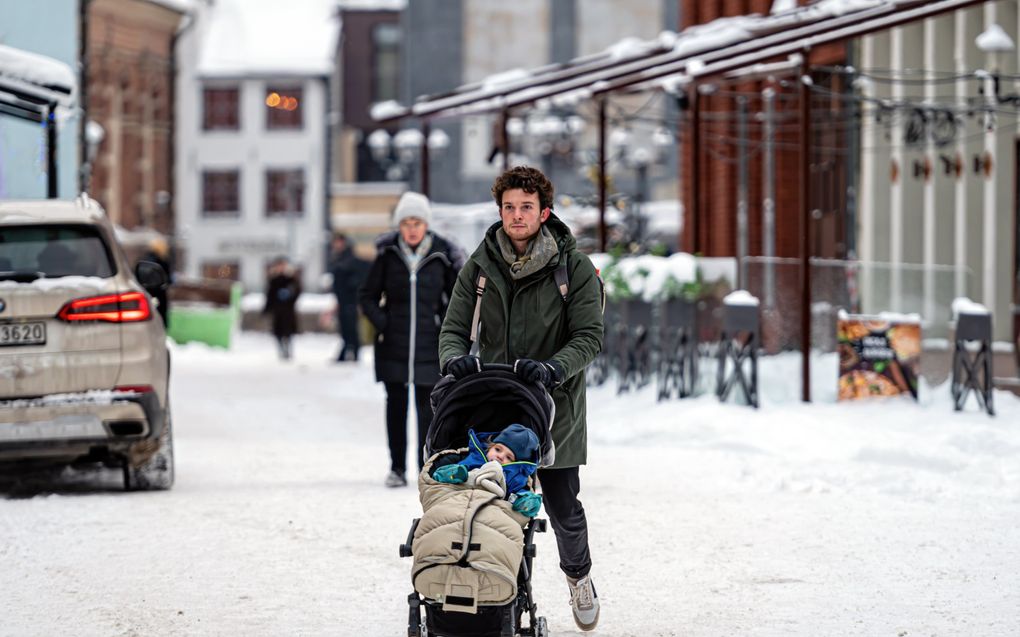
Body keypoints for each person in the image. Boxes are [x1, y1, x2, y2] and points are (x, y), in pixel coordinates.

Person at [438, 165, 604, 631]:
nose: (516, 215)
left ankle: (579, 576)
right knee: (487, 502)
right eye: (509, 207)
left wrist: (553, 368)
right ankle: (493, 591)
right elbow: (454, 329)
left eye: (526, 207)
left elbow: (589, 336)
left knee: (563, 506)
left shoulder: (573, 268)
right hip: (494, 399)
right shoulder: (481, 265)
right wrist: (455, 361)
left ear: (544, 212)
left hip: (554, 404)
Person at [359, 191, 464, 488]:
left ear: (426, 224)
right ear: (399, 226)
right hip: (392, 344)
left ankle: (425, 467)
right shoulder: (388, 254)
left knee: (427, 409)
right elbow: (366, 296)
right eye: (406, 223)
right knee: (395, 406)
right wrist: (383, 322)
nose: (412, 228)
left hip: (430, 345)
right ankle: (395, 467)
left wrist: (443, 326)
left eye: (417, 222)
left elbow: (458, 298)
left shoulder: (442, 254)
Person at [432, 423, 543, 517]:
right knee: (453, 474)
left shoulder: (514, 477)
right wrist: (452, 474)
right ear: (490, 447)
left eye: (509, 457)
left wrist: (526, 502)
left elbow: (520, 492)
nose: (500, 456)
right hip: (458, 503)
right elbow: (437, 478)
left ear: (517, 463)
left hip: (491, 515)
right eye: (498, 449)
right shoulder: (472, 459)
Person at [327, 233, 370, 362]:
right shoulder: (338, 258)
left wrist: (356, 294)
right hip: (343, 299)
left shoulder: (349, 260)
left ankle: (353, 353)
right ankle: (347, 352)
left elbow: (360, 279)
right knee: (345, 327)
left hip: (350, 300)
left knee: (350, 327)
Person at [263, 257, 301, 360]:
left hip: (288, 310)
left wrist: (290, 295)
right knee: (278, 331)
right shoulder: (273, 280)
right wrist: (267, 309)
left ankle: (288, 349)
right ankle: (281, 349)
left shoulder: (291, 279)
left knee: (288, 331)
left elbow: (297, 291)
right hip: (277, 310)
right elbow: (269, 295)